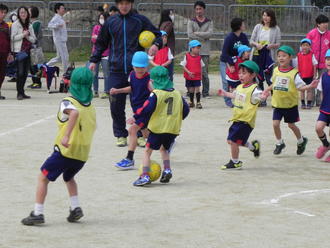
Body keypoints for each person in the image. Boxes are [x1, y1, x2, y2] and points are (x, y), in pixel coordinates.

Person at [21, 67, 96, 226]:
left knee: (43, 177)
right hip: (81, 154)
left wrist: (67, 135)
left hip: (65, 151)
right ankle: (75, 208)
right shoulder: (90, 106)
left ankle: (38, 213)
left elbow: (74, 114)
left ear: (71, 83)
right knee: (69, 177)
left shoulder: (67, 102)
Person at [89, 0, 162, 147]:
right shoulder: (111, 22)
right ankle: (120, 134)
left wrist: (156, 44)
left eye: (127, 3)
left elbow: (158, 35)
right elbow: (101, 43)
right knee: (115, 103)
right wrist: (94, 60)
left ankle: (140, 133)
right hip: (115, 69)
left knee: (141, 104)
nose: (124, 6)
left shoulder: (140, 20)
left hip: (137, 70)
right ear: (117, 4)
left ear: (131, 4)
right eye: (121, 3)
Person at [131, 66, 189, 186]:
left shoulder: (156, 94)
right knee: (164, 149)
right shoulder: (177, 93)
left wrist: (135, 117)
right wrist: (178, 118)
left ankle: (145, 176)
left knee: (147, 151)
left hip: (158, 128)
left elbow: (146, 109)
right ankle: (167, 170)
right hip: (173, 129)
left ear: (153, 81)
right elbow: (186, 109)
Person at [264, 45, 318, 155]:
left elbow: (300, 87)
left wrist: (310, 86)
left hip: (290, 105)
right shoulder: (275, 71)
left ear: (290, 58)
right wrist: (266, 91)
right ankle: (279, 143)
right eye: (279, 56)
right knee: (275, 124)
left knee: (291, 125)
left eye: (284, 56)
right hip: (278, 104)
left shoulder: (294, 73)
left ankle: (301, 141)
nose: (281, 58)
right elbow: (273, 84)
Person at [218, 61, 267, 169]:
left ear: (253, 75)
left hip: (246, 121)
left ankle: (235, 162)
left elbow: (260, 96)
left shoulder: (254, 89)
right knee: (232, 141)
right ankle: (253, 147)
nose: (240, 75)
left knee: (233, 141)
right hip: (237, 119)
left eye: (244, 73)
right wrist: (225, 93)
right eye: (239, 73)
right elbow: (234, 95)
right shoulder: (240, 87)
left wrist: (263, 97)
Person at [110, 52, 152, 169]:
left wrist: (136, 116)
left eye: (142, 67)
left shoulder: (148, 80)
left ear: (147, 66)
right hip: (137, 109)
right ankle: (166, 142)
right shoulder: (132, 75)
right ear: (133, 66)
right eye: (137, 67)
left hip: (145, 110)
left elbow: (154, 96)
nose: (139, 69)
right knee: (146, 134)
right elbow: (132, 88)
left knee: (132, 130)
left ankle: (129, 159)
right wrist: (117, 91)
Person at [250, 9, 281, 107]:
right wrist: (256, 44)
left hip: (268, 56)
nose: (265, 18)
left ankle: (275, 100)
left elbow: (278, 44)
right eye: (264, 15)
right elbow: (251, 40)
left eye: (267, 16)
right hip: (256, 54)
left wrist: (271, 46)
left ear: (271, 17)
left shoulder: (276, 28)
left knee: (269, 78)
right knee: (258, 78)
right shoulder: (258, 27)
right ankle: (261, 99)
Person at [220, 17, 249, 108]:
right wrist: (230, 65)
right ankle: (227, 100)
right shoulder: (229, 38)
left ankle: (240, 99)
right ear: (239, 26)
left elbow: (246, 49)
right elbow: (225, 53)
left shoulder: (243, 36)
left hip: (238, 62)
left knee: (239, 80)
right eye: (243, 24)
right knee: (226, 81)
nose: (244, 26)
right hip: (226, 62)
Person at [187, 1, 213, 98]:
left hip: (205, 51)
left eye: (200, 9)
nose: (198, 11)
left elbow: (210, 34)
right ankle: (190, 91)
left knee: (204, 73)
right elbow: (190, 34)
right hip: (193, 52)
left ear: (204, 9)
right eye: (197, 9)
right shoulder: (191, 21)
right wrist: (203, 36)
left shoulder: (209, 22)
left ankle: (205, 92)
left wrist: (197, 33)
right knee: (191, 72)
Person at [11, 6, 36, 100]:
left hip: (28, 51)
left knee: (25, 73)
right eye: (21, 12)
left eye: (25, 12)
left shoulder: (30, 25)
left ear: (27, 14)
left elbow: (34, 39)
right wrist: (23, 35)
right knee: (20, 72)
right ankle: (19, 93)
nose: (23, 14)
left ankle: (22, 92)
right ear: (18, 14)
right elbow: (12, 38)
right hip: (19, 51)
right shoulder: (15, 24)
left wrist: (27, 37)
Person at [306, 14, 330, 107]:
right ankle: (310, 100)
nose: (326, 25)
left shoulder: (329, 34)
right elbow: (306, 46)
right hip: (312, 62)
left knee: (322, 81)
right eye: (323, 23)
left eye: (326, 23)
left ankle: (320, 101)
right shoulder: (311, 33)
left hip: (325, 63)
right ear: (318, 24)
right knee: (311, 81)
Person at [90, 12, 110, 98]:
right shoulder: (96, 27)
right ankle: (95, 90)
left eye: (103, 18)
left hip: (106, 54)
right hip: (96, 53)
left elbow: (107, 41)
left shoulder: (109, 28)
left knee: (106, 74)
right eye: (100, 18)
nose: (101, 20)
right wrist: (97, 38)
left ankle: (106, 91)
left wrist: (97, 37)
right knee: (94, 73)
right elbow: (93, 40)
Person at [315, 49, 330, 162]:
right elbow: (322, 92)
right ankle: (326, 145)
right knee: (318, 128)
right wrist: (322, 104)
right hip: (325, 108)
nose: (329, 62)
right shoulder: (323, 76)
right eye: (328, 59)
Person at [181, 40, 205, 109]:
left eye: (199, 48)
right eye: (197, 48)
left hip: (197, 77)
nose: (198, 50)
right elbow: (183, 65)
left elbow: (202, 66)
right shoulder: (187, 56)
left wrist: (200, 73)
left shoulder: (199, 57)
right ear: (192, 48)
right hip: (189, 77)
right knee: (191, 90)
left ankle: (198, 102)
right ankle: (191, 102)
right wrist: (188, 72)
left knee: (197, 89)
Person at [47, 3, 69, 74]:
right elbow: (49, 25)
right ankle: (65, 72)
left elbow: (60, 25)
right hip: (59, 40)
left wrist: (64, 23)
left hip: (62, 40)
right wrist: (58, 25)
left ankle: (46, 65)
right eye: (62, 8)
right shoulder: (56, 17)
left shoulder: (60, 17)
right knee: (64, 56)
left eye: (63, 8)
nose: (63, 10)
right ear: (57, 10)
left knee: (60, 57)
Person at [296, 38, 318, 109]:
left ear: (310, 47)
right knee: (302, 90)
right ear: (301, 46)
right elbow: (297, 65)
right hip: (301, 75)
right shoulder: (298, 55)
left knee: (309, 90)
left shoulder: (312, 55)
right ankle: (303, 103)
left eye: (307, 45)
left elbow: (315, 64)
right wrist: (297, 73)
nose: (305, 47)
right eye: (303, 45)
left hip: (310, 75)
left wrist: (314, 75)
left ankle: (309, 103)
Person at [28, 6, 43, 89]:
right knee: (32, 66)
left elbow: (34, 36)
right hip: (32, 47)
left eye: (29, 12)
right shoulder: (32, 23)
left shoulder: (36, 23)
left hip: (35, 47)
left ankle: (38, 82)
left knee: (36, 66)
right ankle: (34, 82)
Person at [0, 4, 13, 99]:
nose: (3, 14)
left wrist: (9, 53)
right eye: (1, 12)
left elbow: (9, 40)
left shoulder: (6, 25)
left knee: (2, 74)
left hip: (4, 52)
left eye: (5, 12)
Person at [159, 9, 175, 81]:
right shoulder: (169, 23)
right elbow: (165, 33)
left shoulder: (161, 23)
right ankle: (169, 87)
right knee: (169, 71)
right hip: (168, 49)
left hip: (161, 49)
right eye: (171, 14)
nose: (172, 16)